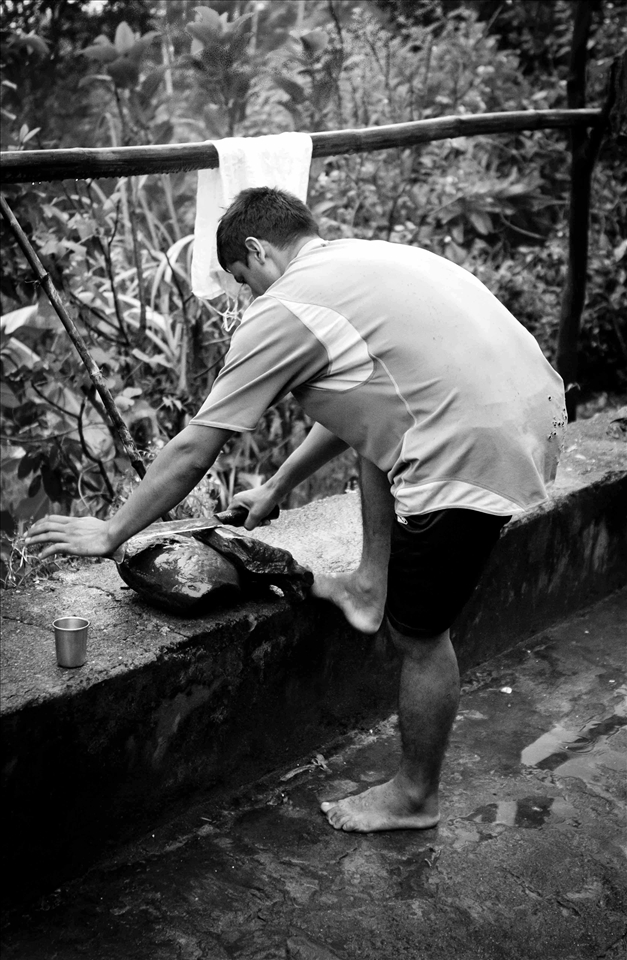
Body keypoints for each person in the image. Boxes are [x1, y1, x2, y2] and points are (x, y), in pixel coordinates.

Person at [26, 187, 567, 834]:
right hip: (531, 408)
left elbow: (197, 446)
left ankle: (415, 796)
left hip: (471, 448)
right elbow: (371, 397)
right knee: (379, 435)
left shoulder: (284, 306)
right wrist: (278, 484)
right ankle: (368, 584)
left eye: (239, 280)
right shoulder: (361, 263)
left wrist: (111, 531)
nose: (245, 297)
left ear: (255, 250)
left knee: (420, 636)